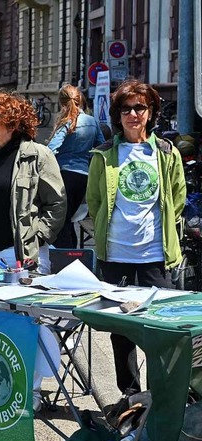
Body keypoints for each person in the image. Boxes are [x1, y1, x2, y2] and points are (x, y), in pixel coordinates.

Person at [86, 79, 186, 399]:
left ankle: (160, 398)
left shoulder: (167, 153)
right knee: (122, 333)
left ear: (151, 111)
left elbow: (177, 200)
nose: (132, 114)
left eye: (139, 107)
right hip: (115, 256)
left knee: (160, 333)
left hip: (155, 256)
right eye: (125, 109)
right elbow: (95, 202)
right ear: (118, 115)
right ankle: (130, 399)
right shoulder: (103, 155)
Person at [0, 90, 66, 274]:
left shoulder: (38, 155)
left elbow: (57, 203)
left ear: (13, 122)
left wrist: (37, 237)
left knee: (21, 302)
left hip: (19, 253)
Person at [47, 84, 105, 248]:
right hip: (83, 177)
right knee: (69, 219)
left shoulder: (67, 122)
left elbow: (51, 148)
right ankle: (73, 256)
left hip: (64, 176)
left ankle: (66, 258)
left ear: (61, 102)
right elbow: (101, 147)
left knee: (61, 221)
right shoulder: (92, 122)